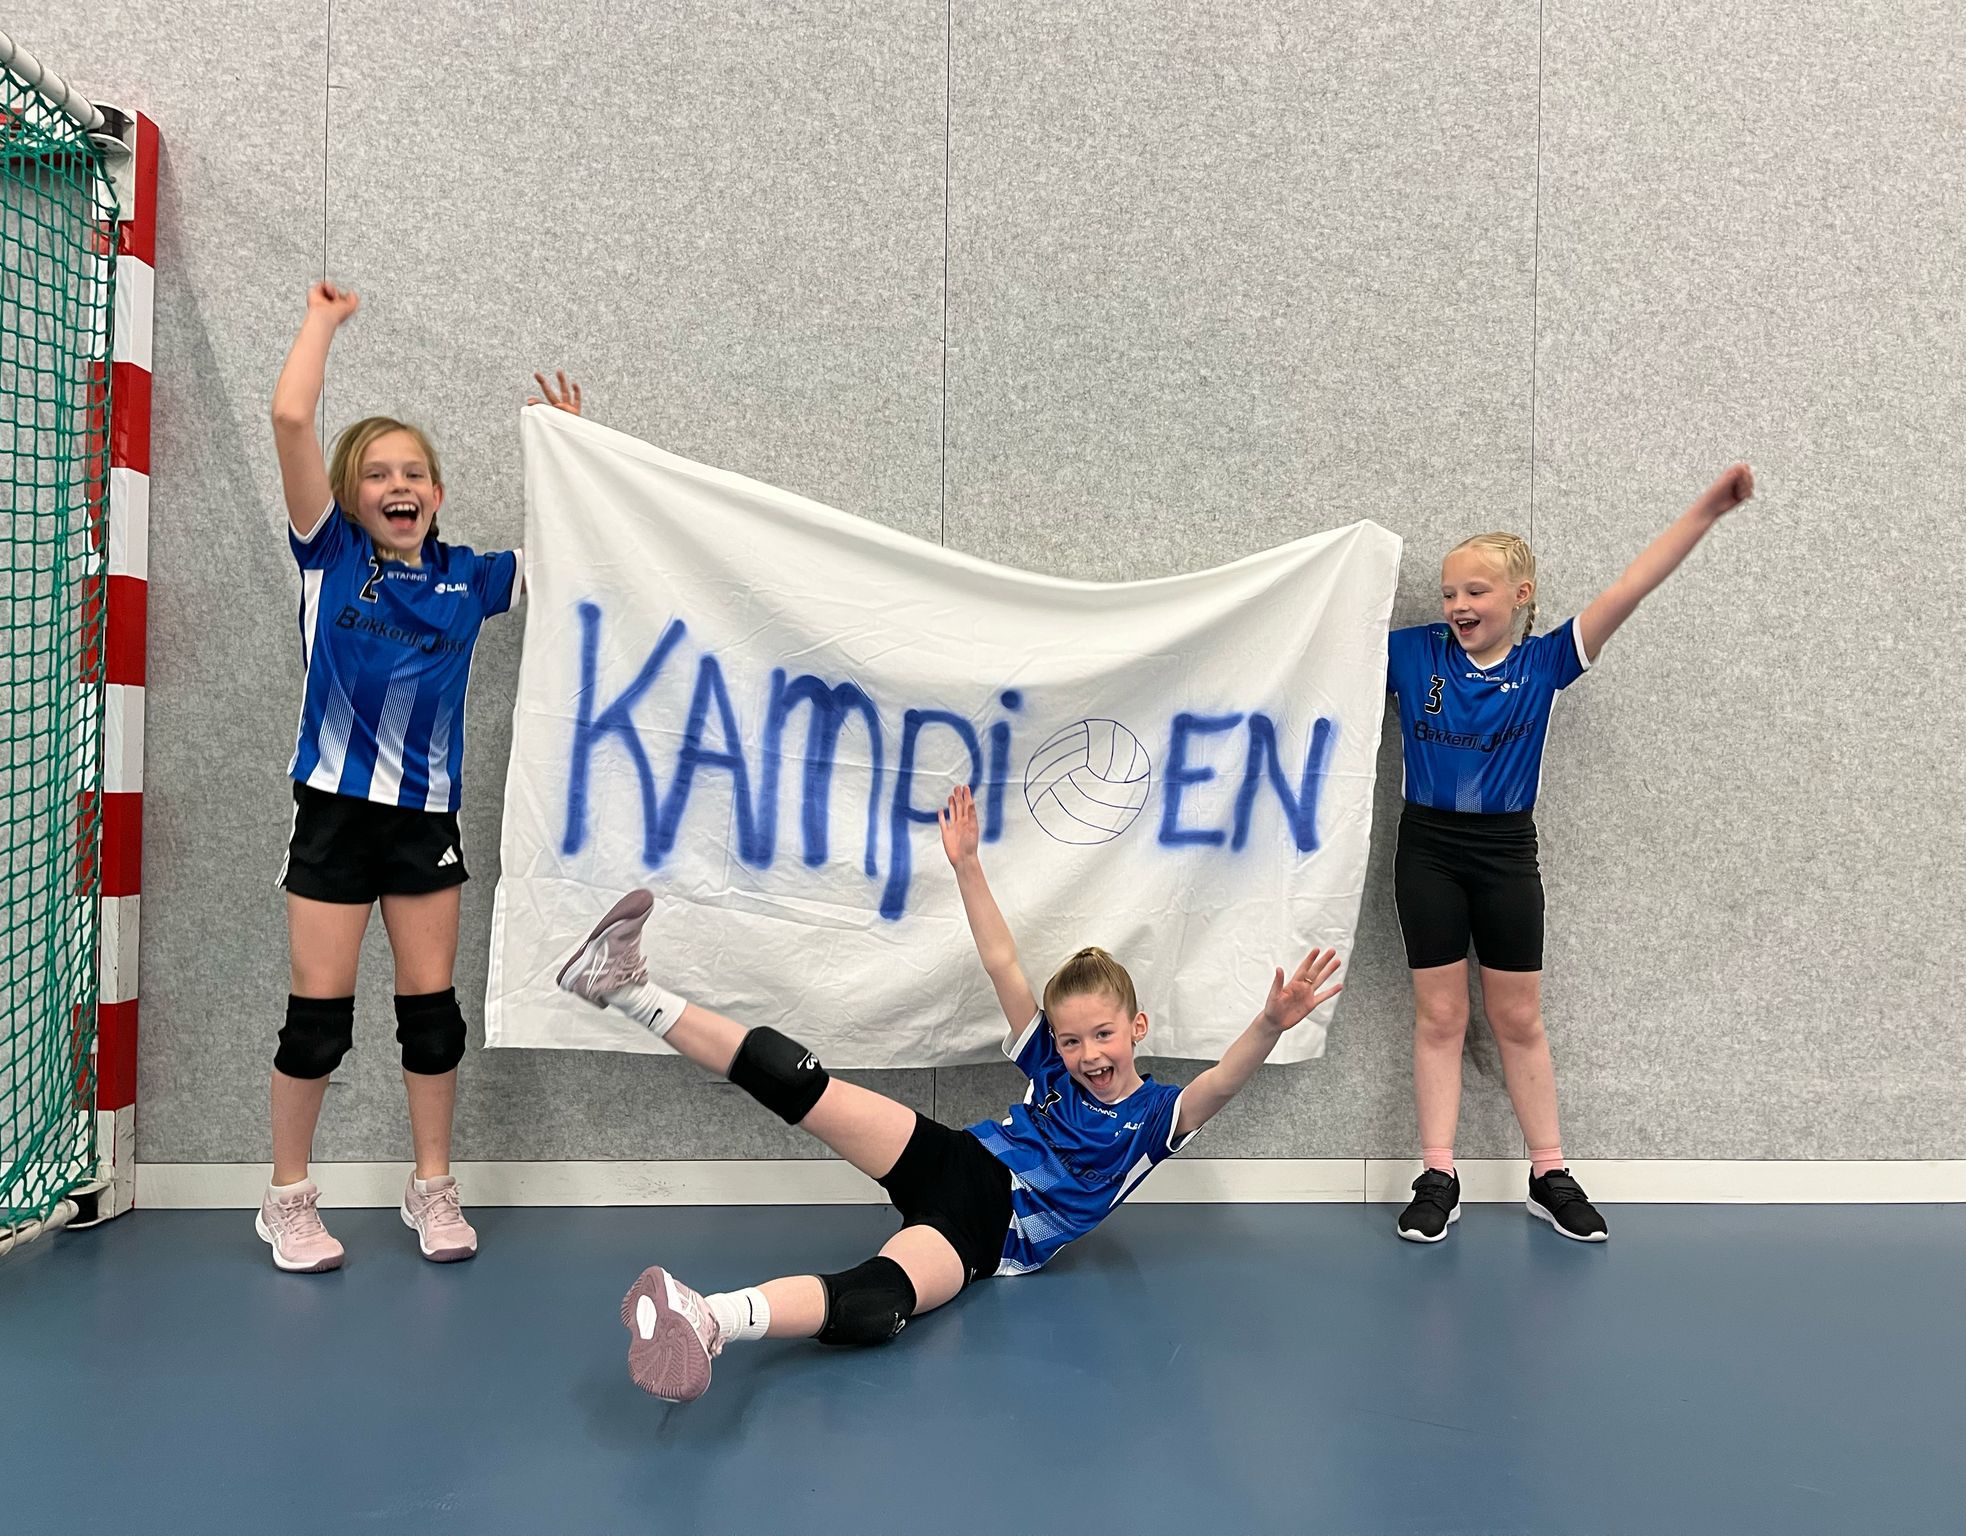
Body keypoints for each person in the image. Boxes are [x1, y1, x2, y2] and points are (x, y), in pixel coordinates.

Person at [553, 784, 1343, 1401]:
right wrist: (966, 864)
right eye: (1070, 1040)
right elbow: (1003, 964)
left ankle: (711, 1315)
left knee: (877, 1303)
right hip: (956, 1160)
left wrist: (1269, 1024)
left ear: (1137, 1028)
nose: (1086, 1053)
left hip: (988, 1229)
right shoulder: (1050, 1066)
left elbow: (1219, 1084)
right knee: (798, 1081)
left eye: (1102, 1035)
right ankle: (622, 987)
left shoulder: (1154, 1117)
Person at [256, 278, 581, 1270]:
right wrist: (322, 320)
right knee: (317, 1024)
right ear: (352, 495)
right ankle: (287, 1198)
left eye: (415, 473)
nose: (398, 486)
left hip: (424, 823)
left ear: (436, 495)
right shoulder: (329, 557)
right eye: (377, 473)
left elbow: (576, 554)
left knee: (432, 1020)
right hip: (334, 816)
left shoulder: (467, 578)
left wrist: (571, 453)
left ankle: (431, 1188)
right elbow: (291, 416)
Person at [1386, 463, 1755, 1243]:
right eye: (1449, 593)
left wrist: (1705, 513)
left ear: (1520, 595)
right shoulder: (1412, 654)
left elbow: (1631, 587)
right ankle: (1438, 1173)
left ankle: (1548, 1172)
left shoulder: (1546, 661)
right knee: (1441, 1015)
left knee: (1517, 1015)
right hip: (1428, 849)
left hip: (1505, 853)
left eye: (1476, 591)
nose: (1457, 605)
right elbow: (1315, 645)